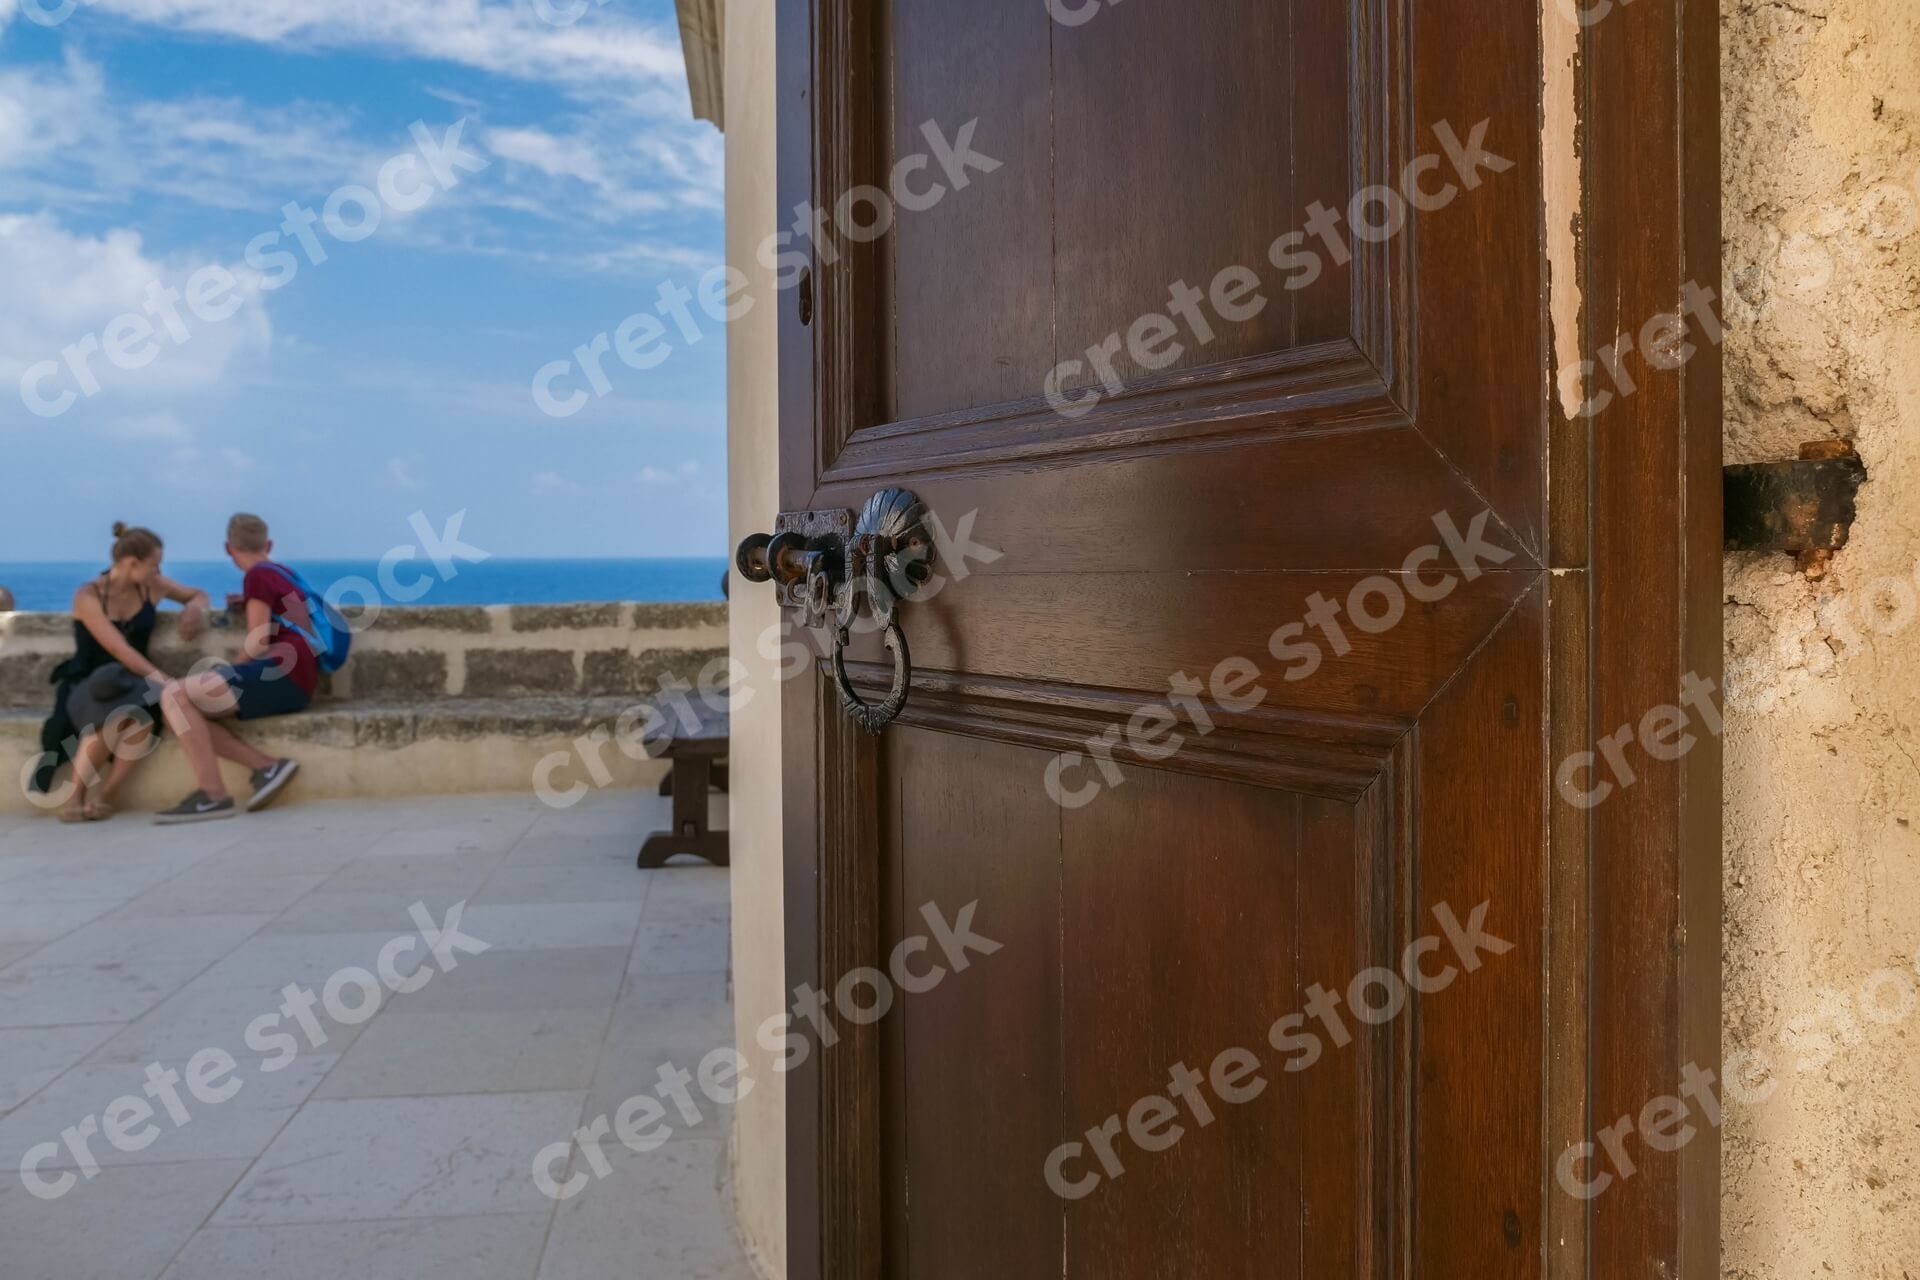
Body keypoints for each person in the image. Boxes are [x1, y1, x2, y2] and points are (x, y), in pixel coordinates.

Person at [33, 524, 210, 822]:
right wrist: (164, 681)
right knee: (113, 714)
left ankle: (107, 794)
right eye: (154, 564)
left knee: (142, 718)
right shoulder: (88, 595)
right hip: (92, 678)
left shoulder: (152, 586)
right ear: (131, 563)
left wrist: (194, 609)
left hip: (134, 679)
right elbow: (119, 649)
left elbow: (198, 594)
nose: (159, 571)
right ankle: (75, 795)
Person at [153, 514, 306, 824]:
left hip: (280, 673)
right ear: (269, 544)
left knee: (172, 694)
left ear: (227, 548)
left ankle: (212, 795)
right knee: (178, 710)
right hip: (298, 675)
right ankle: (265, 766)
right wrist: (250, 602)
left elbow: (258, 640)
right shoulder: (282, 572)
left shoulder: (257, 576)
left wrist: (231, 671)